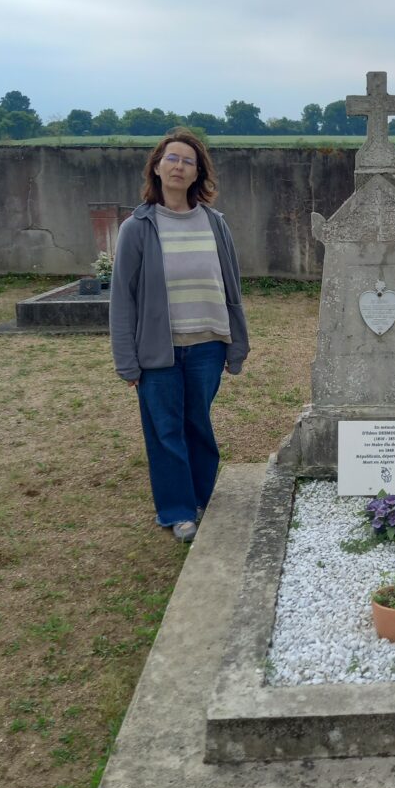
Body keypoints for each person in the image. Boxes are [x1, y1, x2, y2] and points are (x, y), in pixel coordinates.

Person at [110, 128, 249, 542]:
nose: (179, 166)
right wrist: (126, 359)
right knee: (164, 431)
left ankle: (205, 496)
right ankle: (178, 511)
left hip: (206, 345)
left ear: (197, 174)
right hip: (159, 350)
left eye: (188, 161)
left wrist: (236, 342)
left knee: (197, 424)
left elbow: (231, 286)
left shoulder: (214, 223)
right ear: (156, 167)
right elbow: (123, 298)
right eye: (171, 158)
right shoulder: (137, 227)